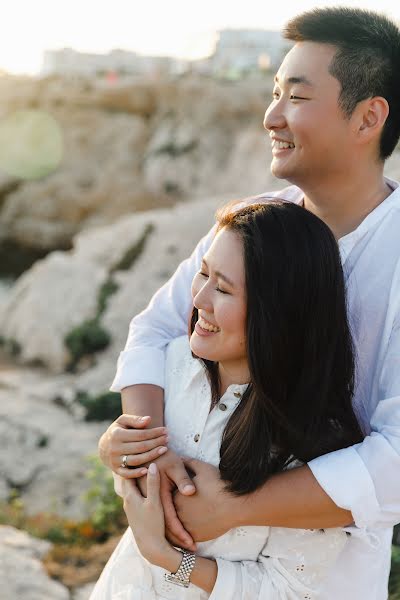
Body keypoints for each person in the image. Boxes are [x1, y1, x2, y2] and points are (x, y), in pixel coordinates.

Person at [98, 7, 400, 599]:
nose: (271, 116)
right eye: (273, 93)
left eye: (295, 96)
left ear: (369, 116)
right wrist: (143, 445)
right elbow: (157, 329)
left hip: (308, 579)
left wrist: (238, 503)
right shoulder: (258, 220)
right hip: (168, 567)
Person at [91, 201, 364, 599]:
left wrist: (168, 557)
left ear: (278, 312)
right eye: (202, 274)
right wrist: (116, 451)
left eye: (222, 287)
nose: (199, 298)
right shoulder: (168, 367)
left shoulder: (318, 444)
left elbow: (288, 589)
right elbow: (134, 487)